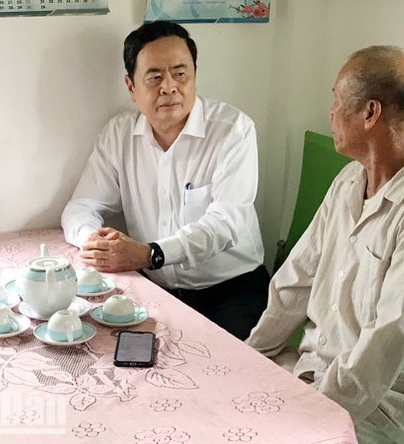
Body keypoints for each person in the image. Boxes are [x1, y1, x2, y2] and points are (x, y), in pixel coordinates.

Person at [245, 46, 404, 443]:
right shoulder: (350, 181)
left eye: (337, 100)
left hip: (387, 407)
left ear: (370, 113)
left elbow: (386, 344)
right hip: (315, 371)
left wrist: (314, 416)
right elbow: (295, 281)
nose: (331, 112)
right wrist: (251, 357)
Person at [61, 21, 268, 340]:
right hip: (152, 290)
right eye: (155, 76)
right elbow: (80, 207)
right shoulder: (119, 135)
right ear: (131, 87)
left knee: (216, 377)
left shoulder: (233, 130)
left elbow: (224, 224)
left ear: (194, 77)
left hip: (231, 292)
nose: (169, 87)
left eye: (180, 73)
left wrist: (149, 254)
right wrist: (96, 243)